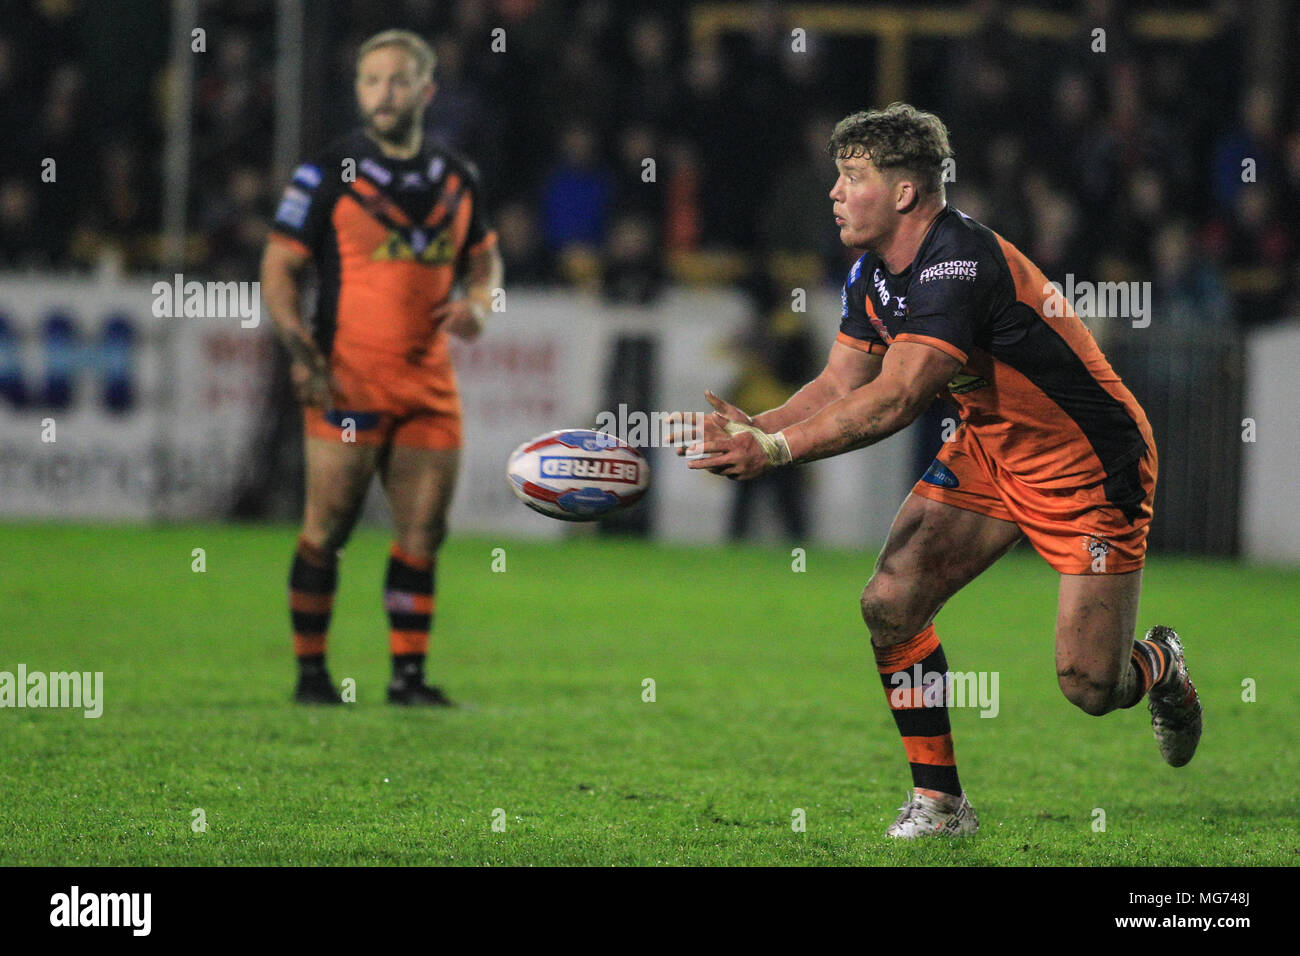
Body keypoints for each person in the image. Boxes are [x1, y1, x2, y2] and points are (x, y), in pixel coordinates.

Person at [680, 103, 1201, 838]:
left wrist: (777, 452)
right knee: (890, 603)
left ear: (903, 193)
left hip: (1089, 463)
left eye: (852, 176)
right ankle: (941, 805)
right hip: (991, 446)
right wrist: (757, 426)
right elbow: (839, 386)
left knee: (1089, 685)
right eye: (836, 175)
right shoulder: (872, 272)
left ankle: (1161, 664)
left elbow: (895, 399)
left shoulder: (960, 264)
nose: (833, 192)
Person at [261, 29, 501, 706]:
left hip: (428, 384)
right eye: (370, 80)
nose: (383, 93)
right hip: (348, 376)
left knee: (424, 532)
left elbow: (483, 264)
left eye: (397, 80)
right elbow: (279, 266)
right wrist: (299, 346)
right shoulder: (327, 172)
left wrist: (479, 306)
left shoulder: (459, 175)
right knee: (328, 525)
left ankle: (408, 679)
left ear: (426, 91)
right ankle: (311, 676)